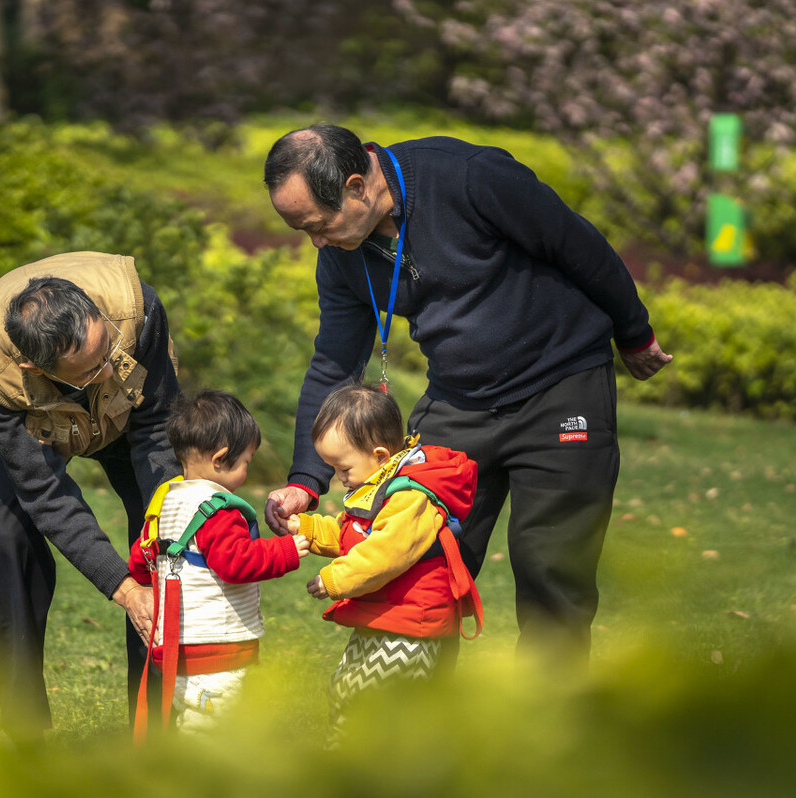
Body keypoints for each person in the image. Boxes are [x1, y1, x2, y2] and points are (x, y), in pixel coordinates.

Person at [262, 123, 673, 664]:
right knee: (412, 556)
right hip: (458, 400)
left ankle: (547, 731)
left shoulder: (470, 178)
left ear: (357, 185)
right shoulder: (342, 253)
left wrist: (634, 332)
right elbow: (335, 362)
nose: (316, 242)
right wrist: (305, 481)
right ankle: (415, 720)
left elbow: (578, 246)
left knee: (552, 569)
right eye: (302, 230)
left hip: (561, 386)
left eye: (318, 225)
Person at [0, 251, 182, 743]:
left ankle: (152, 727)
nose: (106, 369)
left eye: (108, 352)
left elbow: (157, 431)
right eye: (90, 367)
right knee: (10, 542)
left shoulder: (136, 308)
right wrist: (123, 590)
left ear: (98, 315)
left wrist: (164, 522)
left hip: (131, 423)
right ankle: (23, 728)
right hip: (43, 429)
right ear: (35, 366)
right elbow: (47, 493)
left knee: (164, 540)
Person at [287, 383, 479, 741]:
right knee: (347, 688)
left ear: (378, 454)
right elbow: (352, 532)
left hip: (410, 625)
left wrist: (334, 580)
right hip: (387, 618)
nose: (338, 477)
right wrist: (307, 528)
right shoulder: (380, 481)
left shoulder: (408, 497)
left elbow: (383, 555)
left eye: (341, 468)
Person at [127, 390, 308, 735]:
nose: (245, 473)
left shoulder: (163, 504)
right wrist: (286, 550)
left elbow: (140, 562)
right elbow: (236, 564)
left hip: (175, 650)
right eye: (246, 463)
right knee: (213, 737)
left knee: (191, 724)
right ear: (221, 459)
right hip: (216, 649)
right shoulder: (218, 510)